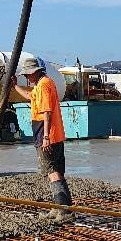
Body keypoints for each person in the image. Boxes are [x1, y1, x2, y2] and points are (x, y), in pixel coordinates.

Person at [12, 56, 73, 223]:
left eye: (27, 75)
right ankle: (60, 207)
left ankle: (63, 211)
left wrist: (46, 136)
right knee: (56, 172)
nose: (26, 78)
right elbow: (29, 96)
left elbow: (47, 112)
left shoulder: (44, 85)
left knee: (52, 172)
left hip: (48, 135)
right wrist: (15, 86)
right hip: (52, 134)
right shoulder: (41, 85)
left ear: (34, 72)